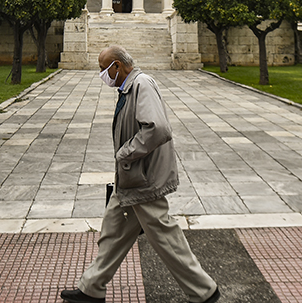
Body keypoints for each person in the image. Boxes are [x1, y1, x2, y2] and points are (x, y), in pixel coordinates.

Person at [60, 46, 220, 303]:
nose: (102, 75)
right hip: (130, 178)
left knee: (164, 236)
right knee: (113, 232)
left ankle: (204, 291)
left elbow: (158, 129)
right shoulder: (127, 88)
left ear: (117, 66)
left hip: (144, 179)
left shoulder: (142, 84)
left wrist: (125, 153)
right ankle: (91, 288)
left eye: (104, 69)